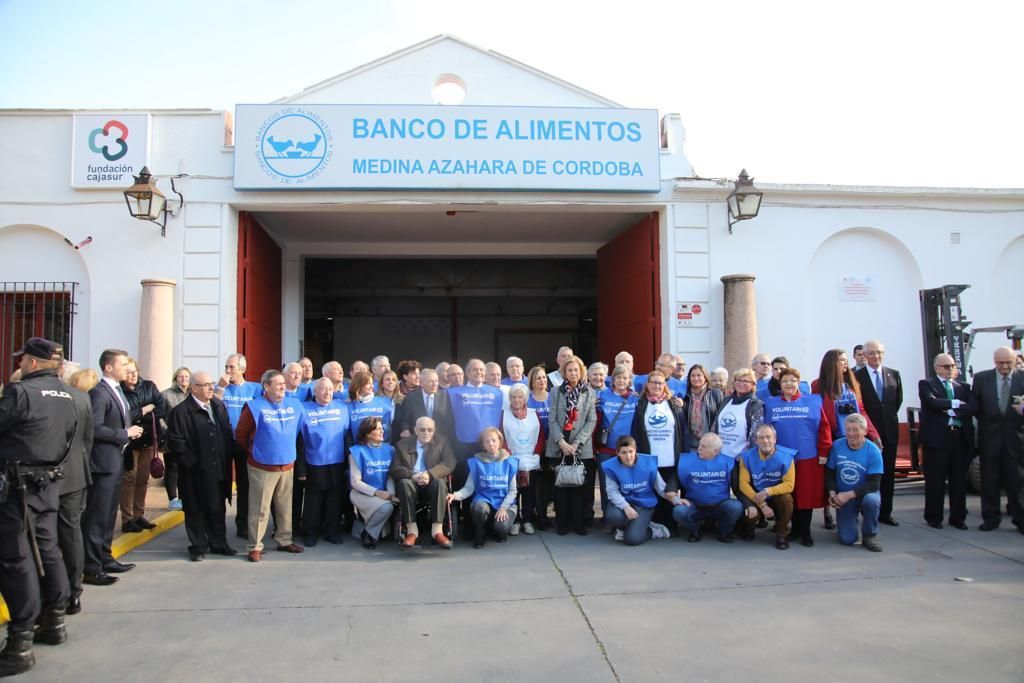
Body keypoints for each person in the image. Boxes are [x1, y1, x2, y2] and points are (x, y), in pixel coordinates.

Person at [0, 337, 79, 675]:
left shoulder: (20, 393)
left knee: (16, 559)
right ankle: (54, 621)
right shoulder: (68, 396)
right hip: (48, 483)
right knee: (48, 550)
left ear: (32, 362)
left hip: (17, 487)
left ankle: (19, 644)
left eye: (22, 361)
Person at [83, 349, 143, 586]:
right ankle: (91, 567)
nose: (127, 368)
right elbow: (95, 428)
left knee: (108, 515)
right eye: (122, 364)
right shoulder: (99, 393)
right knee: (96, 517)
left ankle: (105, 557)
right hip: (102, 464)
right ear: (108, 367)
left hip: (115, 461)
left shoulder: (116, 390)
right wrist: (124, 433)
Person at [234, 369, 306, 562]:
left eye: (284, 383)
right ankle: (255, 546)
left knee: (285, 507)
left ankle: (284, 540)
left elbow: (299, 431)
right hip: (262, 466)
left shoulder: (294, 404)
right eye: (278, 384)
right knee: (260, 509)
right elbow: (241, 434)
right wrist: (252, 451)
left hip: (287, 465)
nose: (283, 387)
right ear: (266, 386)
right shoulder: (253, 407)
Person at [165, 371, 236, 562]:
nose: (211, 388)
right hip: (195, 472)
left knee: (217, 507)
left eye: (211, 384)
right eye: (206, 385)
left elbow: (227, 431)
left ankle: (219, 543)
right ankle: (198, 546)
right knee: (195, 509)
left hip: (219, 468)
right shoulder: (180, 412)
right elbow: (177, 444)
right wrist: (194, 463)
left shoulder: (218, 406)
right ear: (194, 388)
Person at [813, 349, 880, 529]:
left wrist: (873, 433)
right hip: (833, 436)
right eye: (841, 360)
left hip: (854, 436)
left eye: (845, 360)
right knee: (830, 475)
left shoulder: (852, 384)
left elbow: (862, 411)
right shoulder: (819, 385)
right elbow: (819, 415)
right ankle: (828, 509)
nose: (844, 363)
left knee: (855, 474)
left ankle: (856, 506)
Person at [764, 367, 831, 546]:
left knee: (806, 495)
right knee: (788, 495)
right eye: (785, 381)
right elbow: (765, 430)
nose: (789, 384)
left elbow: (824, 428)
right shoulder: (771, 404)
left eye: (793, 381)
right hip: (781, 459)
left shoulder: (813, 401)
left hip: (807, 457)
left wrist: (824, 451)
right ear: (780, 383)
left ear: (798, 383)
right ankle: (791, 529)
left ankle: (805, 531)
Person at [918, 353, 977, 529]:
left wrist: (952, 410)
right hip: (937, 440)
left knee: (958, 480)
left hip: (959, 437)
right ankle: (934, 517)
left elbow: (972, 407)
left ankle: (958, 517)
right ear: (937, 368)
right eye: (946, 366)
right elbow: (932, 403)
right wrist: (956, 403)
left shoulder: (964, 387)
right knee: (935, 480)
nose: (950, 369)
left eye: (952, 366)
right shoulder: (927, 384)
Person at [971, 346, 1024, 532]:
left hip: (1016, 440)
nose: (1004, 366)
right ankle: (991, 518)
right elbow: (975, 406)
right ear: (994, 361)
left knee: (1016, 481)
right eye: (1000, 362)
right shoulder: (981, 378)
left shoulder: (1022, 378)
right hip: (989, 439)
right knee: (989, 481)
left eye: (1008, 362)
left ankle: (1020, 519)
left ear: (1014, 360)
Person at [546, 355, 598, 535]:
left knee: (579, 485)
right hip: (559, 445)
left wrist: (576, 443)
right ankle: (562, 524)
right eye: (569, 370)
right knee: (561, 486)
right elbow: (551, 420)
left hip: (581, 446)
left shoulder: (590, 392)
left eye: (576, 369)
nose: (573, 373)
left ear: (581, 371)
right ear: (564, 373)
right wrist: (561, 441)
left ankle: (578, 524)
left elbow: (591, 421)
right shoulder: (555, 393)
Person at [855, 340, 904, 526]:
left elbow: (896, 402)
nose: (876, 356)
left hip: (889, 431)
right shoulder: (856, 377)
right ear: (864, 355)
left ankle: (886, 512)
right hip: (867, 433)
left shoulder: (893, 374)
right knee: (866, 474)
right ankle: (865, 511)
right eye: (872, 353)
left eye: (879, 352)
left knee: (888, 473)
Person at [59, 367, 95, 617]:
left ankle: (61, 592)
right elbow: (88, 439)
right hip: (77, 473)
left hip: (48, 476)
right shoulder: (83, 398)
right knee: (72, 533)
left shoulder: (28, 394)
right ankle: (73, 592)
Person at [214, 353, 261, 539]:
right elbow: (211, 406)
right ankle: (217, 526)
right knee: (221, 484)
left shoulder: (254, 389)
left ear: (242, 369)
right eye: (226, 367)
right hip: (223, 442)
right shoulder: (220, 388)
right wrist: (220, 387)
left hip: (244, 443)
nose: (227, 371)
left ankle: (242, 523)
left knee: (245, 484)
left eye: (231, 367)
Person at [296, 378, 349, 547]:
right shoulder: (304, 409)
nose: (327, 392)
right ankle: (310, 532)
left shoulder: (342, 407)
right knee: (313, 500)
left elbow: (347, 434)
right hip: (314, 462)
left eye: (330, 389)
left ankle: (331, 531)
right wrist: (302, 469)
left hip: (337, 461)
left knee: (334, 498)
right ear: (315, 392)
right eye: (323, 389)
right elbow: (300, 442)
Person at [630, 371, 686, 528]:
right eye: (653, 382)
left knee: (669, 491)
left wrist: (684, 454)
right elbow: (635, 432)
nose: (657, 385)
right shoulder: (640, 404)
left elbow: (682, 431)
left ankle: (670, 526)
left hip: (670, 458)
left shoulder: (674, 404)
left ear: (665, 386)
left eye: (660, 383)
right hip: (649, 458)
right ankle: (654, 525)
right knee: (652, 493)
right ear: (647, 385)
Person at [448, 427, 518, 549]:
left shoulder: (509, 462)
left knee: (501, 529)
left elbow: (513, 491)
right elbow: (469, 488)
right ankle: (480, 536)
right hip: (484, 502)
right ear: (483, 445)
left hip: (504, 504)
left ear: (499, 442)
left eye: (494, 440)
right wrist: (454, 495)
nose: (491, 444)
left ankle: (496, 528)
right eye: (487, 441)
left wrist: (503, 507)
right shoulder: (476, 462)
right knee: (478, 507)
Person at [391, 416, 455, 549]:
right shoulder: (402, 445)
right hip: (412, 483)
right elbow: (395, 468)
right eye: (423, 429)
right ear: (415, 430)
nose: (427, 433)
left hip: (432, 483)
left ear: (434, 430)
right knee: (404, 483)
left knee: (439, 483)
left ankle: (437, 531)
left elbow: (449, 463)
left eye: (430, 430)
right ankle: (412, 532)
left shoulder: (442, 442)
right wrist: (412, 476)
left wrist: (430, 474)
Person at [118, 358, 165, 533]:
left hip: (147, 439)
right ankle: (127, 518)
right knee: (129, 478)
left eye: (134, 371)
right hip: (129, 442)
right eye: (128, 371)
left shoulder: (149, 386)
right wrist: (145, 410)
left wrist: (140, 414)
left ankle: (139, 515)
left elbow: (161, 409)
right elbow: (126, 415)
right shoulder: (120, 390)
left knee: (143, 479)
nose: (132, 375)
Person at [602, 436, 677, 545]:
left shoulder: (648, 464)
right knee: (613, 516)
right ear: (617, 453)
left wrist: (676, 500)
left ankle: (653, 530)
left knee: (632, 539)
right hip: (625, 502)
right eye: (623, 453)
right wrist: (625, 506)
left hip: (644, 504)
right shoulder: (611, 467)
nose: (628, 456)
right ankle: (623, 528)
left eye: (631, 451)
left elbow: (661, 488)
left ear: (635, 450)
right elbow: (612, 492)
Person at [826, 414, 884, 551]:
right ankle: (849, 521)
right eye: (848, 430)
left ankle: (870, 534)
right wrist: (832, 492)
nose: (851, 434)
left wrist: (849, 494)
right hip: (843, 498)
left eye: (855, 430)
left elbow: (874, 484)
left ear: (864, 431)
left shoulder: (873, 451)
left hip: (864, 493)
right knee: (847, 539)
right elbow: (829, 472)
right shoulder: (837, 446)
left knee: (872, 501)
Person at [674, 433, 743, 543]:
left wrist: (749, 505)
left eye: (704, 446)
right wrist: (674, 496)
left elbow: (738, 488)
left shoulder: (728, 462)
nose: (699, 448)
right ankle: (696, 529)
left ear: (715, 451)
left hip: (720, 505)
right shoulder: (686, 461)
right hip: (695, 506)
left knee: (737, 507)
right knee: (679, 511)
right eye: (700, 444)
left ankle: (723, 531)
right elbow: (673, 483)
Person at [736, 424, 796, 549]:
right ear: (756, 441)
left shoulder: (786, 457)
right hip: (755, 496)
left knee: (787, 499)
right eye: (761, 438)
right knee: (750, 512)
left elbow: (789, 485)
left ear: (775, 439)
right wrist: (762, 505)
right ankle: (749, 529)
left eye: (768, 437)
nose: (765, 441)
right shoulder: (746, 457)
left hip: (775, 496)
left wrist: (768, 491)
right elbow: (743, 484)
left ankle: (782, 534)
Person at [448, 359, 504, 488]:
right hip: (463, 444)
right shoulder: (454, 393)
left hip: (489, 445)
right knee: (464, 478)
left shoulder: (496, 393)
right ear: (467, 373)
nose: (478, 372)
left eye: (481, 369)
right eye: (474, 369)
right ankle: (463, 507)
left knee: (487, 479)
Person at [596, 365, 640, 516]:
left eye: (625, 378)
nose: (621, 381)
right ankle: (608, 516)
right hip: (606, 449)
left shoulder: (635, 398)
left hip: (627, 451)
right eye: (618, 378)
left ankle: (625, 514)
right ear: (612, 380)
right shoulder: (602, 396)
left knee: (625, 483)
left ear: (629, 381)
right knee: (605, 485)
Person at [501, 385, 545, 535]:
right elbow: (501, 436)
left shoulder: (534, 414)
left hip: (530, 461)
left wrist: (536, 453)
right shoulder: (504, 415)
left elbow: (540, 436)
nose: (517, 400)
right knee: (513, 492)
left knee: (528, 492)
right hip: (511, 460)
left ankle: (526, 520)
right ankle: (515, 521)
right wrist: (507, 454)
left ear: (525, 398)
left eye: (520, 397)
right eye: (513, 397)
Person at [348, 417, 397, 549]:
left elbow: (390, 477)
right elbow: (355, 481)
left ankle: (366, 530)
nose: (382, 431)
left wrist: (390, 494)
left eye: (382, 428)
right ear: (368, 433)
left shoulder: (390, 449)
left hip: (385, 493)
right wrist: (377, 492)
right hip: (362, 494)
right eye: (378, 429)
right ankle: (368, 534)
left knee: (392, 504)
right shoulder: (356, 451)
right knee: (387, 507)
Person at [711, 368, 764, 459]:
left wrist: (743, 456)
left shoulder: (755, 405)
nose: (741, 383)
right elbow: (715, 425)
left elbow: (755, 435)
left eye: (746, 381)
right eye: (738, 380)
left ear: (753, 385)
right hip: (720, 456)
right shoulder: (726, 400)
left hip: (741, 459)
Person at [393, 368, 455, 445]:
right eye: (430, 381)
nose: (434, 384)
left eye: (436, 381)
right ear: (421, 383)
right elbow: (405, 420)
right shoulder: (411, 398)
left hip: (439, 442)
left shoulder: (445, 397)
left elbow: (450, 420)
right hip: (417, 440)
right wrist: (405, 430)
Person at [526, 365, 554, 529]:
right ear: (532, 381)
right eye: (538, 378)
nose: (542, 381)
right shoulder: (527, 399)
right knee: (536, 483)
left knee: (549, 483)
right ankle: (540, 516)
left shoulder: (553, 396)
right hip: (533, 446)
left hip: (552, 446)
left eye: (544, 377)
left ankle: (545, 512)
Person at [160, 367, 191, 511]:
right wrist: (167, 430)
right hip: (171, 437)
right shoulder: (166, 395)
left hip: (190, 439)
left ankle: (186, 497)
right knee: (172, 468)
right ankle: (173, 499)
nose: (183, 379)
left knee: (186, 468)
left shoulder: (194, 394)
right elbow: (159, 415)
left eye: (186, 376)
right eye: (180, 376)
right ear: (175, 379)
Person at [681, 364, 724, 452]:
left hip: (710, 443)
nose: (696, 378)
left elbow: (721, 416)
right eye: (692, 376)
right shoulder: (684, 396)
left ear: (705, 377)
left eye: (699, 375)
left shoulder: (715, 394)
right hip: (690, 444)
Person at [348, 371, 394, 443]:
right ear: (359, 385)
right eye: (368, 384)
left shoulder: (385, 402)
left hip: (383, 449)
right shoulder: (348, 406)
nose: (372, 386)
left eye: (372, 383)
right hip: (359, 450)